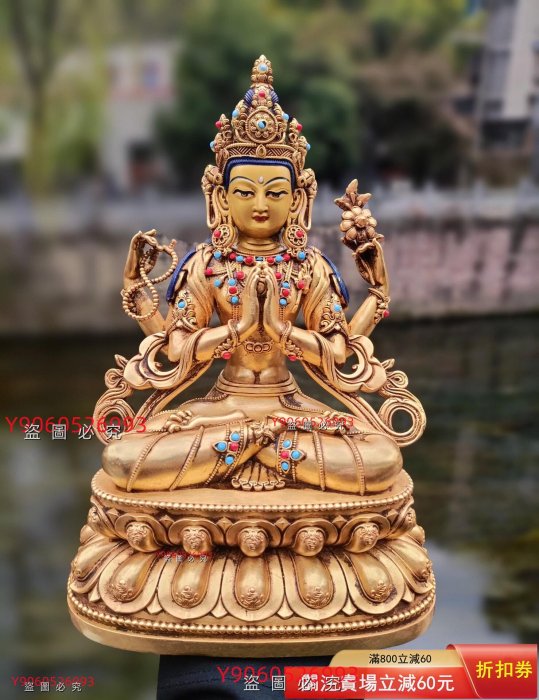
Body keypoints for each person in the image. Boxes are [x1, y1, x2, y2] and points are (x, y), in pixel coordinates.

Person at [99, 55, 424, 495]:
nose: (259, 205)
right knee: (122, 459)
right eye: (244, 191)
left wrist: (282, 329)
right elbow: (175, 347)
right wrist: (232, 327)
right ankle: (261, 443)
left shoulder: (308, 266)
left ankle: (245, 446)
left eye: (274, 192)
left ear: (297, 199)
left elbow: (338, 350)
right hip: (222, 407)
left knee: (382, 459)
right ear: (221, 197)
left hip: (289, 406)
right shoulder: (207, 264)